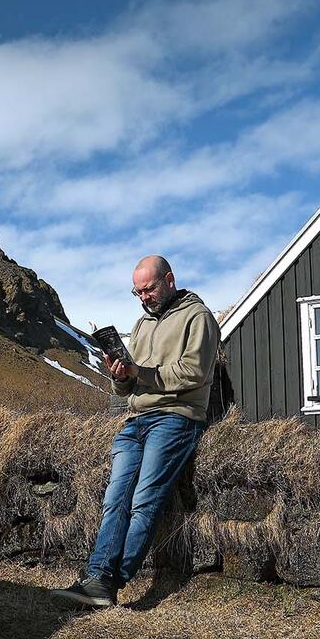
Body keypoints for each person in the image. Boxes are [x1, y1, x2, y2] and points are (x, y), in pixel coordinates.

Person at [50, 255, 219, 608]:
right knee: (115, 499)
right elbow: (126, 388)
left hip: (175, 418)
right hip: (135, 420)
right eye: (137, 292)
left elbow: (195, 372)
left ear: (169, 280)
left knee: (145, 500)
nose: (144, 297)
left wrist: (139, 372)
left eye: (149, 289)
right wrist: (120, 376)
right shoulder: (141, 324)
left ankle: (110, 582)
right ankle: (97, 576)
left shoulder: (198, 316)